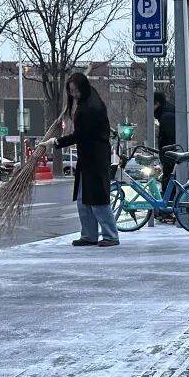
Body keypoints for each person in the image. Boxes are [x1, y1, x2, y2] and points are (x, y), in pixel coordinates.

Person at [39, 72, 119, 247]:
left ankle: (111, 235)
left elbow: (80, 136)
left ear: (83, 88)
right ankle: (89, 234)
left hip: (96, 158)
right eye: (71, 91)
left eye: (75, 91)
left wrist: (56, 142)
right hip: (87, 158)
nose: (73, 95)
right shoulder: (88, 99)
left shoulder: (90, 108)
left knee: (98, 198)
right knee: (84, 198)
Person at [153, 92, 177, 197]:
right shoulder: (167, 113)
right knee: (168, 179)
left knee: (168, 180)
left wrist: (165, 151)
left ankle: (169, 207)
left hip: (169, 156)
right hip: (169, 155)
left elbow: (171, 138)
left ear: (157, 103)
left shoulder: (166, 116)